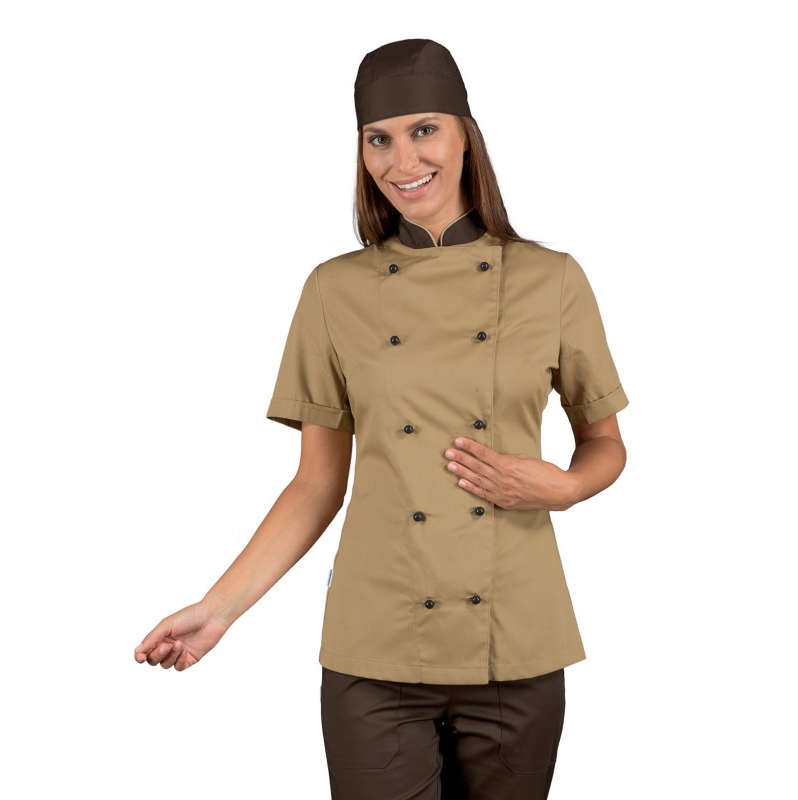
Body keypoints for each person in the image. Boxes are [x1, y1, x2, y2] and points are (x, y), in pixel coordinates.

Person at [134, 38, 629, 800]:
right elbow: (315, 485)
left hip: (517, 639)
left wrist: (561, 487)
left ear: (465, 135)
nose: (403, 161)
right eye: (379, 139)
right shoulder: (333, 291)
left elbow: (605, 444)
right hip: (376, 645)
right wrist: (218, 609)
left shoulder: (552, 280)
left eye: (424, 130)